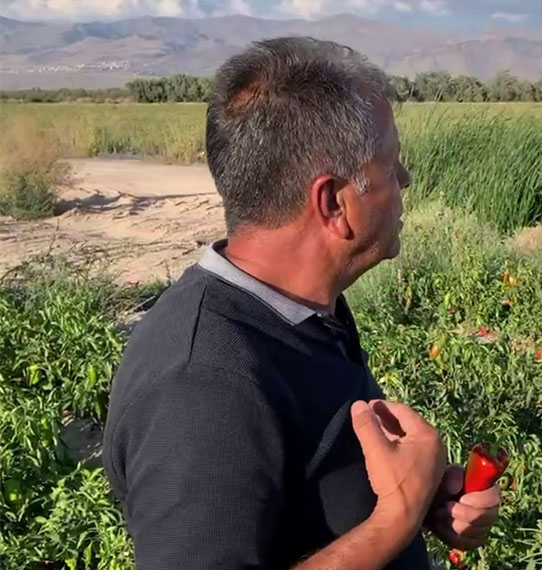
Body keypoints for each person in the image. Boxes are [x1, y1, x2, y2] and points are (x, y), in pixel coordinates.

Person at [102, 37, 500, 570]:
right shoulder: (202, 384)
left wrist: (421, 500)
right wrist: (395, 519)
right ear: (335, 202)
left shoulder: (301, 311)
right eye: (390, 165)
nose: (404, 180)